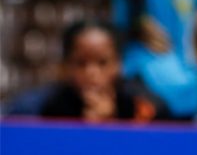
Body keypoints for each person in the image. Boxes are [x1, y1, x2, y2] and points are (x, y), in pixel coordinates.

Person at [8, 19, 166, 122]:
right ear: (65, 66)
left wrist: (112, 123)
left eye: (103, 63)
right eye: (81, 63)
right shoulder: (35, 109)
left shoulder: (142, 105)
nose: (92, 73)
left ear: (119, 64)